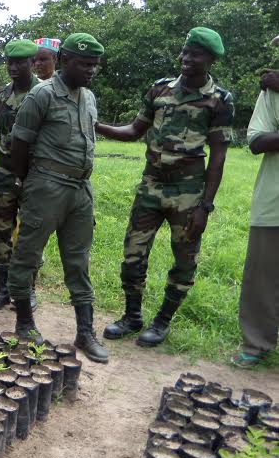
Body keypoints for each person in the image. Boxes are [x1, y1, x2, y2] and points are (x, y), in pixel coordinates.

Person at [97, 27, 233, 348]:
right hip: (151, 187)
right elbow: (133, 130)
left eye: (196, 54)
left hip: (188, 195)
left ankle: (162, 322)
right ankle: (132, 316)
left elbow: (218, 157)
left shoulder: (218, 100)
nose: (187, 59)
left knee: (184, 260)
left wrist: (205, 207)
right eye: (185, 52)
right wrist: (95, 125)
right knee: (133, 255)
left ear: (211, 59)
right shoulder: (159, 90)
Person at [8, 33, 109, 364]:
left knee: (78, 261)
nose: (91, 70)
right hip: (46, 186)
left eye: (94, 65)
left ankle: (85, 331)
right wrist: (26, 184)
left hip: (80, 190)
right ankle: (24, 323)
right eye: (84, 64)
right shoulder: (42, 95)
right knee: (27, 255)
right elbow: (20, 143)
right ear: (65, 60)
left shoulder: (89, 98)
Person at [0, 39, 41, 314]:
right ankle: (1, 288)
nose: (14, 67)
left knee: (29, 234)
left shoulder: (44, 93)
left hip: (35, 172)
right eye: (10, 62)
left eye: (20, 62)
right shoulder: (0, 94)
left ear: (32, 63)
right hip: (4, 170)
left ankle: (26, 290)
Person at [232, 80, 279, 367]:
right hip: (274, 200)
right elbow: (257, 141)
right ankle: (257, 342)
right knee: (261, 278)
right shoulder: (272, 91)